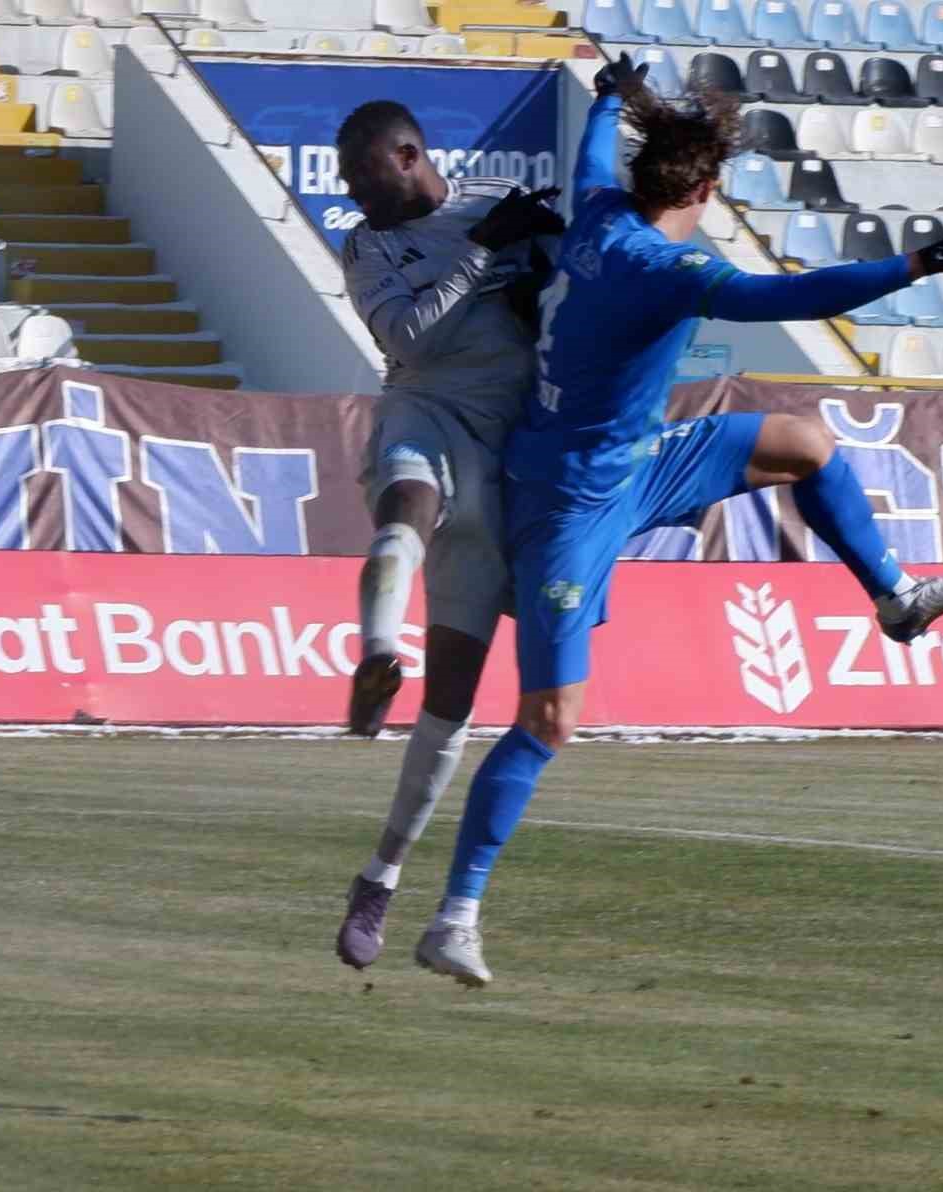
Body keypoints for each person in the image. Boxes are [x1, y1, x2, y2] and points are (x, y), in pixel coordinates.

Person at [414, 57, 943, 987]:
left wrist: (609, 97)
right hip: (568, 502)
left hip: (632, 463)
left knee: (804, 443)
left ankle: (895, 600)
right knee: (549, 716)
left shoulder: (601, 211)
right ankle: (455, 914)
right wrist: (923, 261)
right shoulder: (667, 265)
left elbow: (592, 151)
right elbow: (792, 297)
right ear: (707, 187)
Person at [331, 100, 566, 969]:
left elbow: (563, 296)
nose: (356, 196)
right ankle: (378, 651)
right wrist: (480, 252)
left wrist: (548, 255)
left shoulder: (494, 200)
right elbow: (405, 335)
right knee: (404, 506)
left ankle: (380, 878)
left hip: (506, 445)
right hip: (424, 407)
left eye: (364, 177)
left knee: (457, 700)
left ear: (407, 154)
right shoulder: (366, 247)